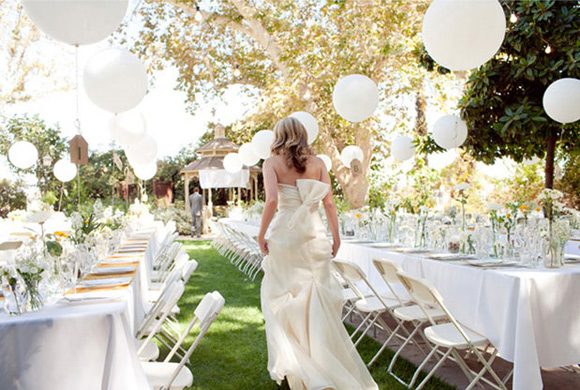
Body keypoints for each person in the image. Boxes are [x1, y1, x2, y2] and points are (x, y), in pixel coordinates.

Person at [258, 117, 378, 390]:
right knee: (317, 299)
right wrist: (336, 236)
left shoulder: (271, 163)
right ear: (302, 135)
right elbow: (329, 203)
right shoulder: (320, 164)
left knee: (283, 298)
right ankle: (321, 364)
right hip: (314, 236)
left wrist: (261, 233)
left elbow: (273, 200)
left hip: (286, 237)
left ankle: (296, 368)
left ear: (279, 136)